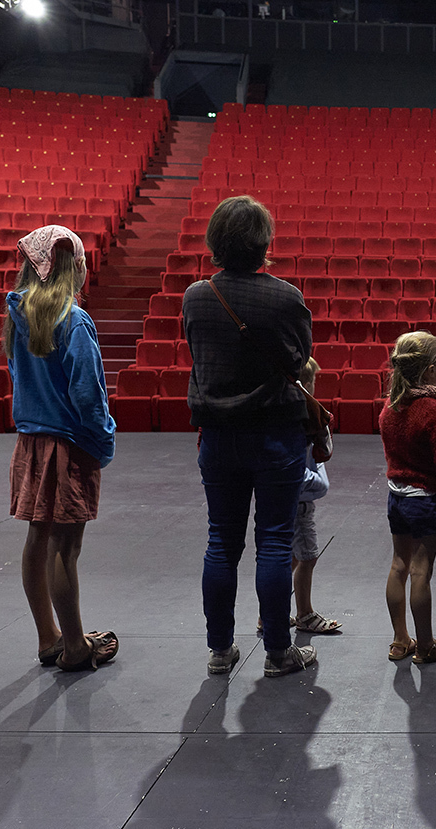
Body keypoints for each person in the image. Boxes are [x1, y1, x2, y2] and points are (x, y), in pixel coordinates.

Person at [182, 195, 317, 678]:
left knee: (221, 542)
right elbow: (299, 360)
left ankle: (220, 649)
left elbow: (198, 351)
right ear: (263, 244)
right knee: (276, 542)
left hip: (217, 437)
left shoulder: (197, 295)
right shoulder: (284, 296)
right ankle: (279, 652)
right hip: (274, 436)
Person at [5, 225, 119, 672]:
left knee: (37, 538)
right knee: (65, 548)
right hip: (68, 446)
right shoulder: (73, 320)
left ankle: (48, 637)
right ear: (74, 267)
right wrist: (104, 439)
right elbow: (89, 395)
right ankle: (74, 645)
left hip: (30, 443)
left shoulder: (17, 316)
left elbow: (19, 379)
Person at [379, 331, 436, 665]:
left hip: (397, 497)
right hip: (425, 500)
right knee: (421, 571)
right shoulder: (435, 409)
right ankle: (427, 646)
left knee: (398, 565)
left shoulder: (390, 407)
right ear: (431, 370)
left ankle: (401, 640)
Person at [289, 357, 342, 635]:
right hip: (299, 502)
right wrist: (320, 481)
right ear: (306, 383)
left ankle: (268, 613)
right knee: (307, 557)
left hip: (284, 498)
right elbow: (309, 469)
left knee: (288, 556)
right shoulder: (304, 411)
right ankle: (305, 614)